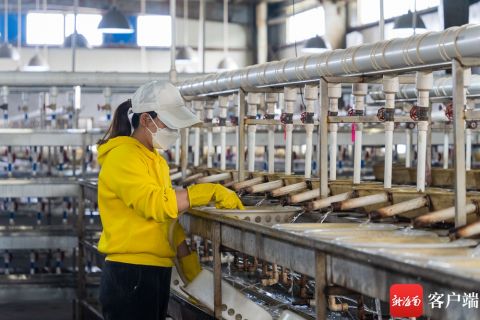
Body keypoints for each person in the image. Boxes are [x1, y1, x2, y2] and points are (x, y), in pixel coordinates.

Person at [96, 81, 244, 320]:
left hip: (154, 271)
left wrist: (188, 265)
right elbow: (156, 204)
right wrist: (206, 192)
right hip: (130, 273)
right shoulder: (123, 157)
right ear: (146, 120)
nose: (174, 131)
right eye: (169, 123)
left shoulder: (155, 160)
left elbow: (168, 220)